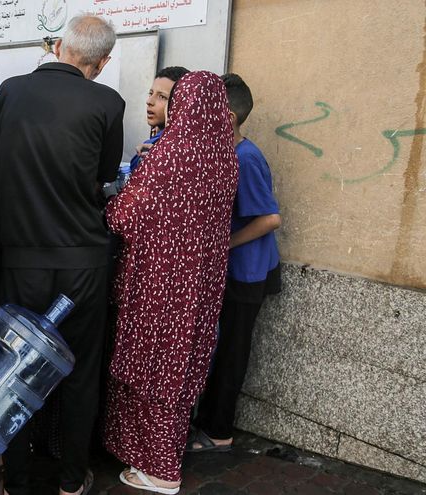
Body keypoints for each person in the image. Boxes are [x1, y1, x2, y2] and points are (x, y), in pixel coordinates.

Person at [0, 14, 123, 495]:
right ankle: (70, 479)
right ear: (101, 62)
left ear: (59, 46)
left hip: (22, 260)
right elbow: (103, 178)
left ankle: (15, 479)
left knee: (14, 368)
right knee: (79, 372)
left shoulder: (10, 93)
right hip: (84, 261)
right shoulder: (108, 101)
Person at [102, 71, 238, 494]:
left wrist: (111, 204)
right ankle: (165, 457)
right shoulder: (225, 157)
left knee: (151, 368)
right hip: (201, 284)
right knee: (179, 370)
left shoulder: (170, 154)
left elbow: (126, 216)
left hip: (159, 283)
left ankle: (159, 471)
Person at [187, 73, 282, 453]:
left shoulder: (247, 159)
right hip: (232, 270)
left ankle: (219, 431)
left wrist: (221, 245)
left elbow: (269, 218)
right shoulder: (225, 155)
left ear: (226, 117)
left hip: (248, 273)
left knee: (230, 353)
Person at [129, 66, 189, 173]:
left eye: (162, 97)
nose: (149, 101)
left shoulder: (173, 147)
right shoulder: (157, 141)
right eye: (151, 93)